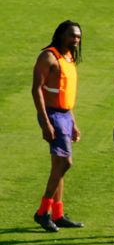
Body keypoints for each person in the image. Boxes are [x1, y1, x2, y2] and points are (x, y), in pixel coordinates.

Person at [31, 20, 84, 232]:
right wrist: (45, 122)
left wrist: (73, 123)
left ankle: (58, 213)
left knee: (58, 165)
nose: (76, 40)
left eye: (78, 36)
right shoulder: (48, 57)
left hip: (64, 115)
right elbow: (36, 90)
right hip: (52, 116)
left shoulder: (68, 57)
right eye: (72, 35)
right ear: (61, 35)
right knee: (65, 163)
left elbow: (64, 93)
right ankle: (43, 212)